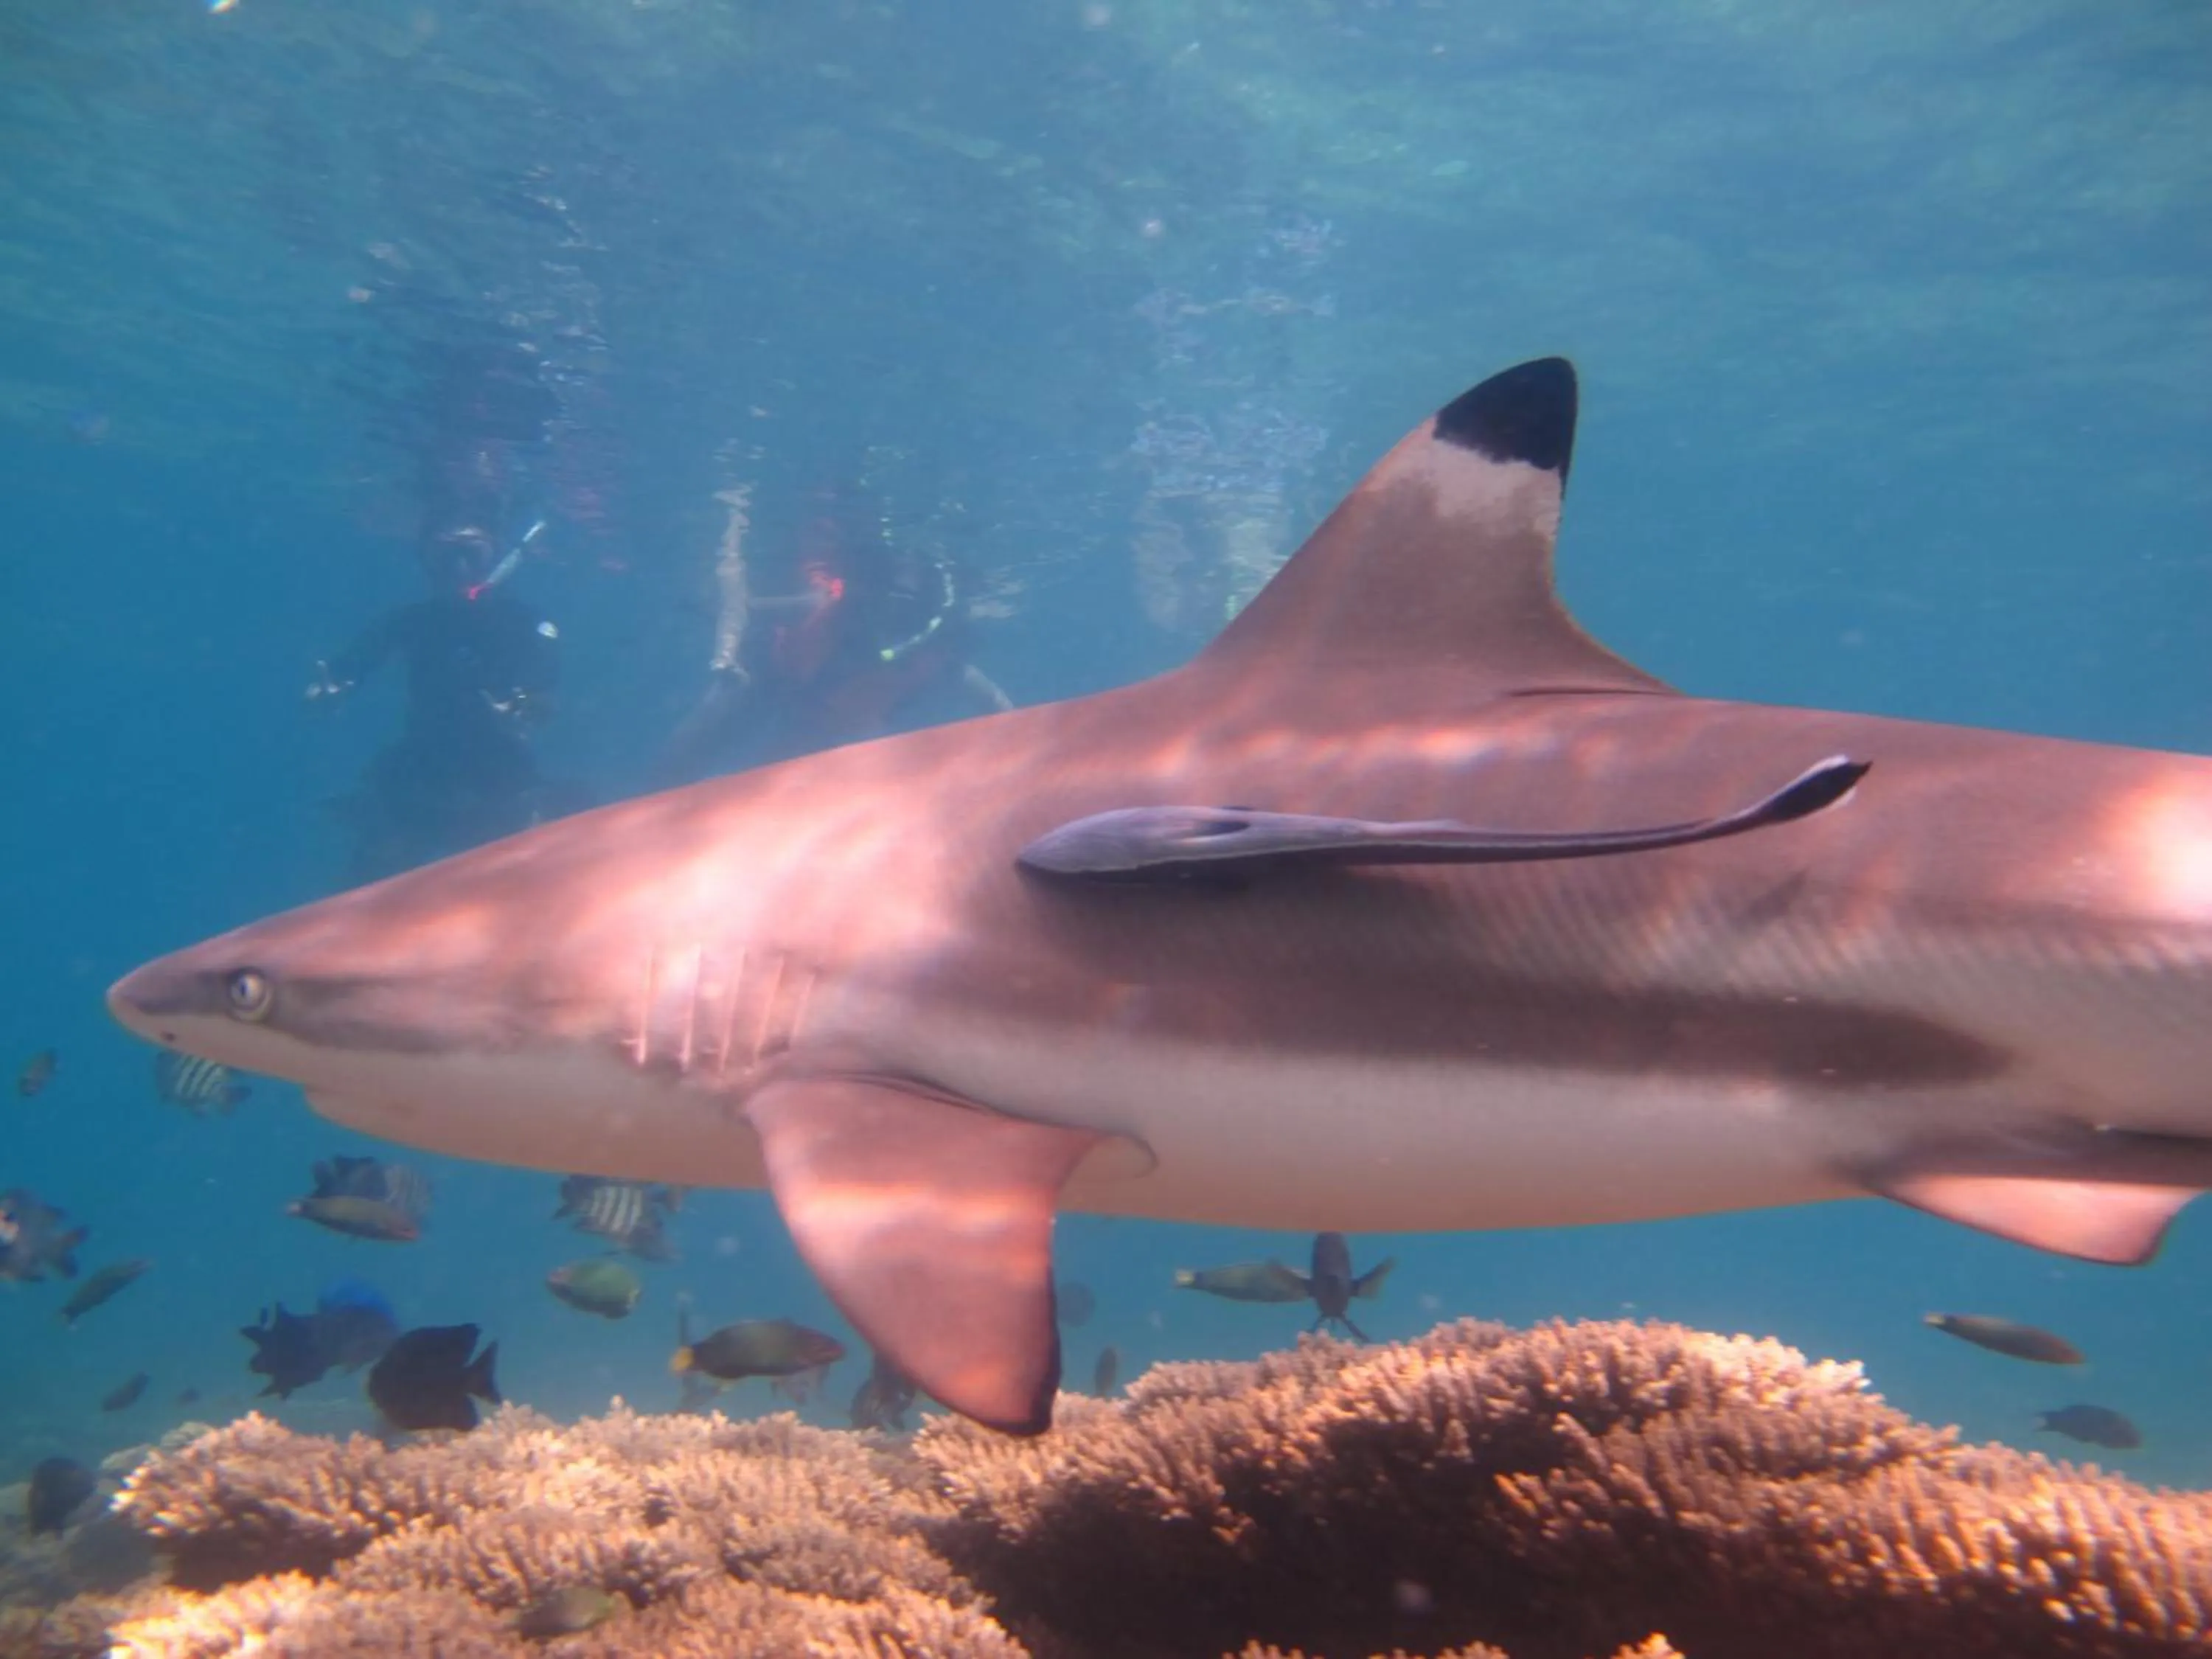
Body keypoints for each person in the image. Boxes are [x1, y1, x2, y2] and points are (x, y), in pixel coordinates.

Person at [658, 481, 1012, 785]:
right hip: (777, 673)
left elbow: (970, 683)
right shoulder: (813, 604)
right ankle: (666, 804)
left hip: (823, 689)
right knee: (700, 739)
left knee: (788, 752)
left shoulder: (925, 635)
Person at [309, 518, 586, 880]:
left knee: (515, 874)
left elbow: (544, 691)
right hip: (421, 765)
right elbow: (340, 673)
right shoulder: (411, 621)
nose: (461, 568)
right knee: (380, 866)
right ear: (429, 565)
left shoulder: (523, 621)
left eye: (473, 555)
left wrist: (526, 709)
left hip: (497, 767)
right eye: (448, 558)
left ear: (493, 560)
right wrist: (324, 696)